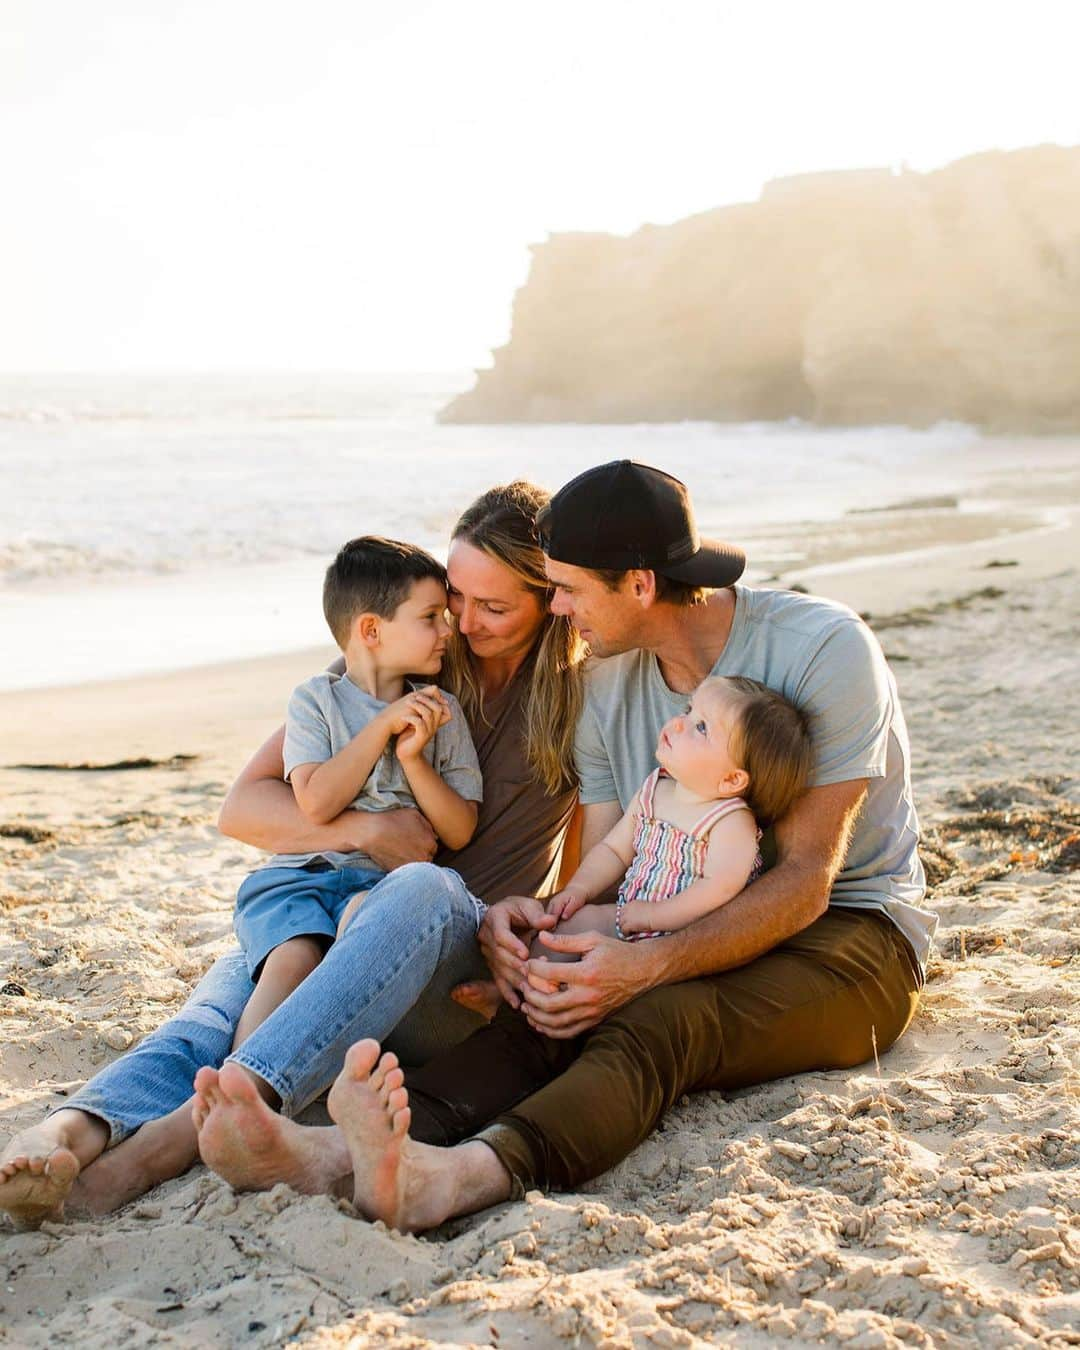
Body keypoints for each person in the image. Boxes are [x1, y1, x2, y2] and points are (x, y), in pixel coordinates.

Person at [192, 458, 934, 1233]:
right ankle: (339, 1159)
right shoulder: (609, 683)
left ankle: (460, 1178)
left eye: (569, 590)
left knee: (654, 1019)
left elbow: (810, 880)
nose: (557, 608)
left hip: (850, 939)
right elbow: (606, 871)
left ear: (639, 585)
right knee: (554, 1006)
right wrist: (533, 933)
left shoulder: (824, 648)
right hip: (675, 917)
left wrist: (646, 964)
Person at [0, 481, 582, 1229]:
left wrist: (535, 962)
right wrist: (365, 833)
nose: (464, 625)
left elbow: (594, 865)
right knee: (225, 995)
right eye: (456, 599)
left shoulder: (580, 695)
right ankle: (70, 1134)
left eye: (492, 608)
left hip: (451, 963)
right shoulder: (400, 665)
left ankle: (170, 1145)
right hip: (340, 921)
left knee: (424, 888)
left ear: (552, 599)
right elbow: (244, 807)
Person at [231, 536, 482, 1051]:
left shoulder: (442, 713)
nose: (446, 630)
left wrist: (413, 759)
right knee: (293, 959)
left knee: (360, 928)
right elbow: (317, 802)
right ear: (371, 629)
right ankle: (238, 1077)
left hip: (378, 889)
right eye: (430, 617)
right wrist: (383, 727)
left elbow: (459, 830)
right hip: (299, 879)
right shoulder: (315, 702)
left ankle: (301, 1062)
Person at [544, 675, 811, 948]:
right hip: (630, 917)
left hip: (686, 940)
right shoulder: (653, 790)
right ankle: (534, 983)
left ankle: (555, 982)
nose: (680, 722)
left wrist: (654, 916)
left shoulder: (730, 820)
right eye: (688, 709)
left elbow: (720, 886)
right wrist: (580, 888)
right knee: (569, 926)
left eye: (702, 727)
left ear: (732, 780)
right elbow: (614, 850)